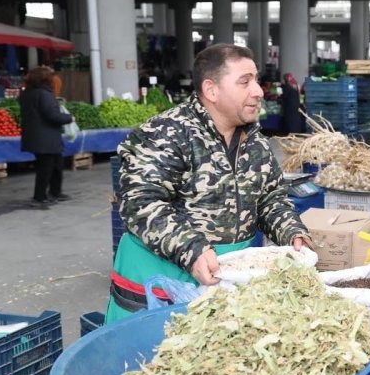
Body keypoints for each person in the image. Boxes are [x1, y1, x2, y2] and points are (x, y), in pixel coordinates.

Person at [108, 44, 311, 323]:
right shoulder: (166, 133)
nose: (258, 91)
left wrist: (291, 231)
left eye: (256, 80)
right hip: (159, 284)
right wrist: (191, 250)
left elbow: (270, 198)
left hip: (225, 281)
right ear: (211, 90)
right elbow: (140, 202)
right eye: (245, 82)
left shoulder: (255, 142)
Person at [19, 66, 74, 207]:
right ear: (45, 79)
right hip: (45, 138)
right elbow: (52, 115)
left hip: (37, 136)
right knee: (46, 168)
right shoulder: (44, 94)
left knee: (55, 165)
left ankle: (55, 192)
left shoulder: (26, 94)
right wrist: (69, 118)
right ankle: (39, 197)